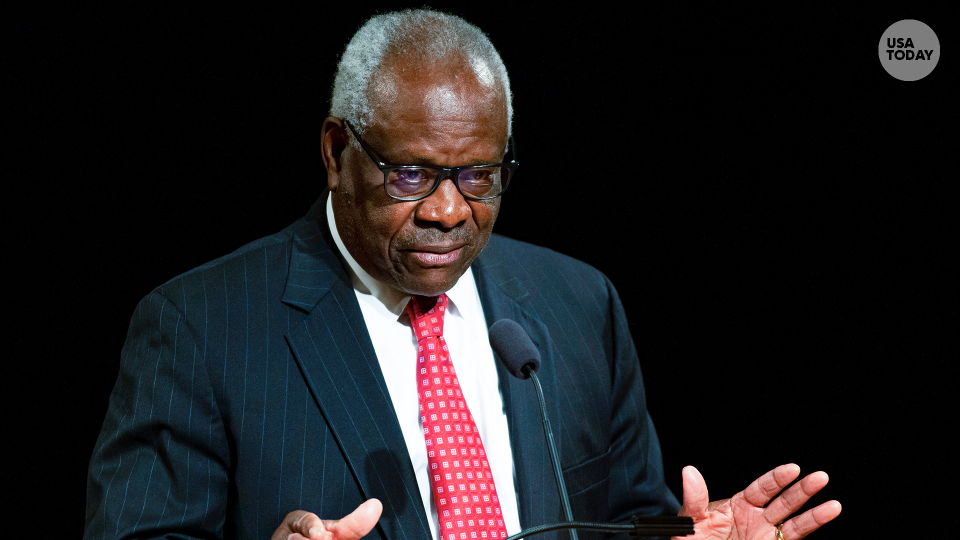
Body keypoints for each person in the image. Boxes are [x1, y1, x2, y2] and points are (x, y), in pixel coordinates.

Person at [84, 9, 841, 540]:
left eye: (479, 175)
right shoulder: (199, 326)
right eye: (410, 173)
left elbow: (619, 520)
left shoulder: (577, 304)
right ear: (335, 149)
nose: (450, 211)